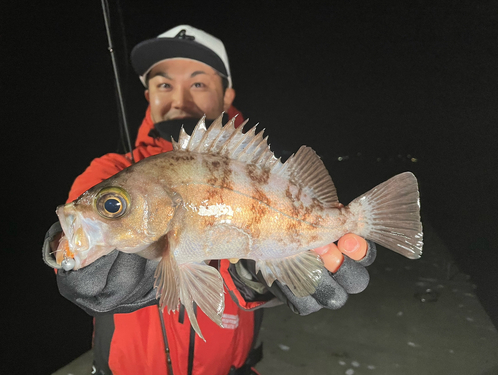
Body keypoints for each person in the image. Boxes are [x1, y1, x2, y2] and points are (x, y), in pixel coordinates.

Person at [43, 25, 377, 375]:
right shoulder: (111, 169)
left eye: (198, 83)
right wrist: (63, 252)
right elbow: (75, 241)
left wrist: (256, 276)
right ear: (149, 96)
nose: (179, 97)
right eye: (163, 84)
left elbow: (220, 270)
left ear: (228, 94)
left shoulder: (268, 164)